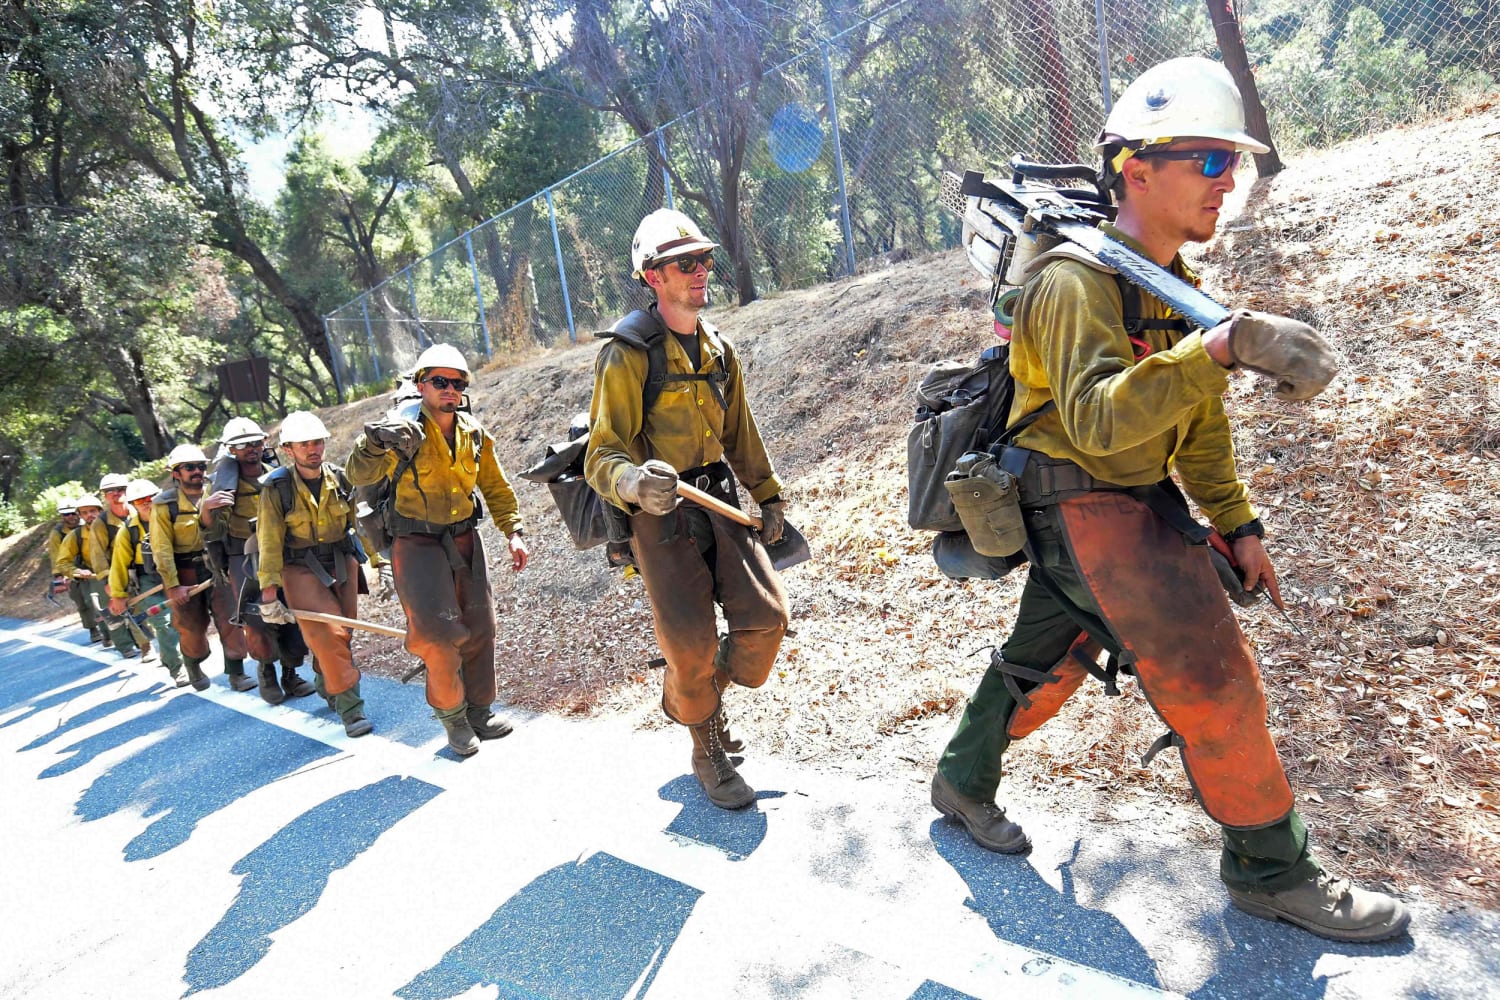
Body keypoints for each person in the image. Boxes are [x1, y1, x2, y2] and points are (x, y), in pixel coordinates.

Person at [928, 56, 1405, 942]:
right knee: (1213, 678)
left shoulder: (1169, 287)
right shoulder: (1072, 283)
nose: (1229, 181)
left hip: (1117, 507)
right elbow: (1102, 423)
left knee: (1050, 653)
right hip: (1081, 501)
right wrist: (1217, 351)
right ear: (1136, 169)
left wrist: (1239, 522)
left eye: (1238, 163)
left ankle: (961, 781)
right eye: (1210, 161)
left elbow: (1197, 427)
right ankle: (1274, 870)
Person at [584, 208, 789, 810]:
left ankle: (693, 695)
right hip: (661, 514)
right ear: (653, 276)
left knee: (766, 621)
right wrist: (633, 486)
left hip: (719, 499)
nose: (700, 272)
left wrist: (769, 493)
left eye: (704, 260)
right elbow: (602, 453)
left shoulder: (719, 349)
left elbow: (742, 433)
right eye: (684, 264)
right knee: (690, 644)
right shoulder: (628, 353)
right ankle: (706, 745)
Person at [346, 344, 528, 756]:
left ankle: (480, 711)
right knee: (437, 635)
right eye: (439, 381)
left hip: (465, 539)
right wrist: (374, 443)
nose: (450, 389)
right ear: (420, 384)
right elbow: (357, 473)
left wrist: (513, 531)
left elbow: (496, 487)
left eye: (457, 383)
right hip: (415, 543)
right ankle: (454, 719)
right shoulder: (403, 429)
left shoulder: (473, 432)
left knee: (481, 628)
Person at [257, 411, 372, 737]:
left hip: (341, 560)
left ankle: (327, 679)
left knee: (343, 634)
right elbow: (268, 540)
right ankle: (352, 710)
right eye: (304, 444)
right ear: (289, 450)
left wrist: (379, 562)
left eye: (317, 441)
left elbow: (357, 524)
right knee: (330, 634)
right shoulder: (276, 488)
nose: (313, 448)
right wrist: (269, 591)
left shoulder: (340, 477)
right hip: (300, 568)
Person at [198, 416, 315, 702]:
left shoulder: (277, 474)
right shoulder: (222, 486)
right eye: (242, 445)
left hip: (283, 552)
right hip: (244, 555)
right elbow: (213, 532)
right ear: (231, 451)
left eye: (254, 442)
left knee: (291, 614)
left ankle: (291, 673)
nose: (250, 448)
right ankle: (265, 671)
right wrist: (206, 511)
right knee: (257, 617)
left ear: (264, 442)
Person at [150, 444, 238, 691]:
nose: (197, 471)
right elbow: (161, 547)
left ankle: (236, 672)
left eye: (200, 466)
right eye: (189, 467)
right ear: (176, 473)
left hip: (218, 565)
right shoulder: (164, 504)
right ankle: (193, 663)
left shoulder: (216, 491)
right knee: (191, 628)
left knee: (231, 618)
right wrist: (173, 585)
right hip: (185, 570)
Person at [110, 479, 183, 681]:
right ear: (133, 504)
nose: (146, 503)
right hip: (147, 581)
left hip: (176, 574)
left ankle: (174, 656)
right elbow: (119, 564)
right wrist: (118, 595)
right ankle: (177, 668)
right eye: (140, 500)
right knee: (163, 622)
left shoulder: (172, 517)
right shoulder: (128, 530)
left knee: (185, 620)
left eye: (150, 498)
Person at [87, 473, 151, 659]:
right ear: (105, 496)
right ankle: (146, 646)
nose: (116, 494)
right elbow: (97, 554)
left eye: (121, 489)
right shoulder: (101, 523)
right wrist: (109, 581)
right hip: (120, 571)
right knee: (130, 608)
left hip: (145, 566)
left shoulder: (139, 510)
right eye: (110, 491)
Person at [55, 495, 109, 648]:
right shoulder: (74, 536)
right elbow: (60, 560)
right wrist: (75, 572)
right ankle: (105, 633)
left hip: (117, 570)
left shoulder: (114, 526)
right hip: (91, 575)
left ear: (100, 510)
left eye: (93, 511)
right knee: (95, 605)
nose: (89, 515)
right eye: (84, 513)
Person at [47, 500, 95, 640]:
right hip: (71, 570)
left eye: (73, 513)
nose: (71, 516)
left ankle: (106, 630)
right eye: (66, 514)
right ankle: (92, 629)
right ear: (62, 516)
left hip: (89, 566)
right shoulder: (57, 534)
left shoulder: (88, 526)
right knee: (81, 601)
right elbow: (56, 556)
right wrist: (59, 576)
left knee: (95, 599)